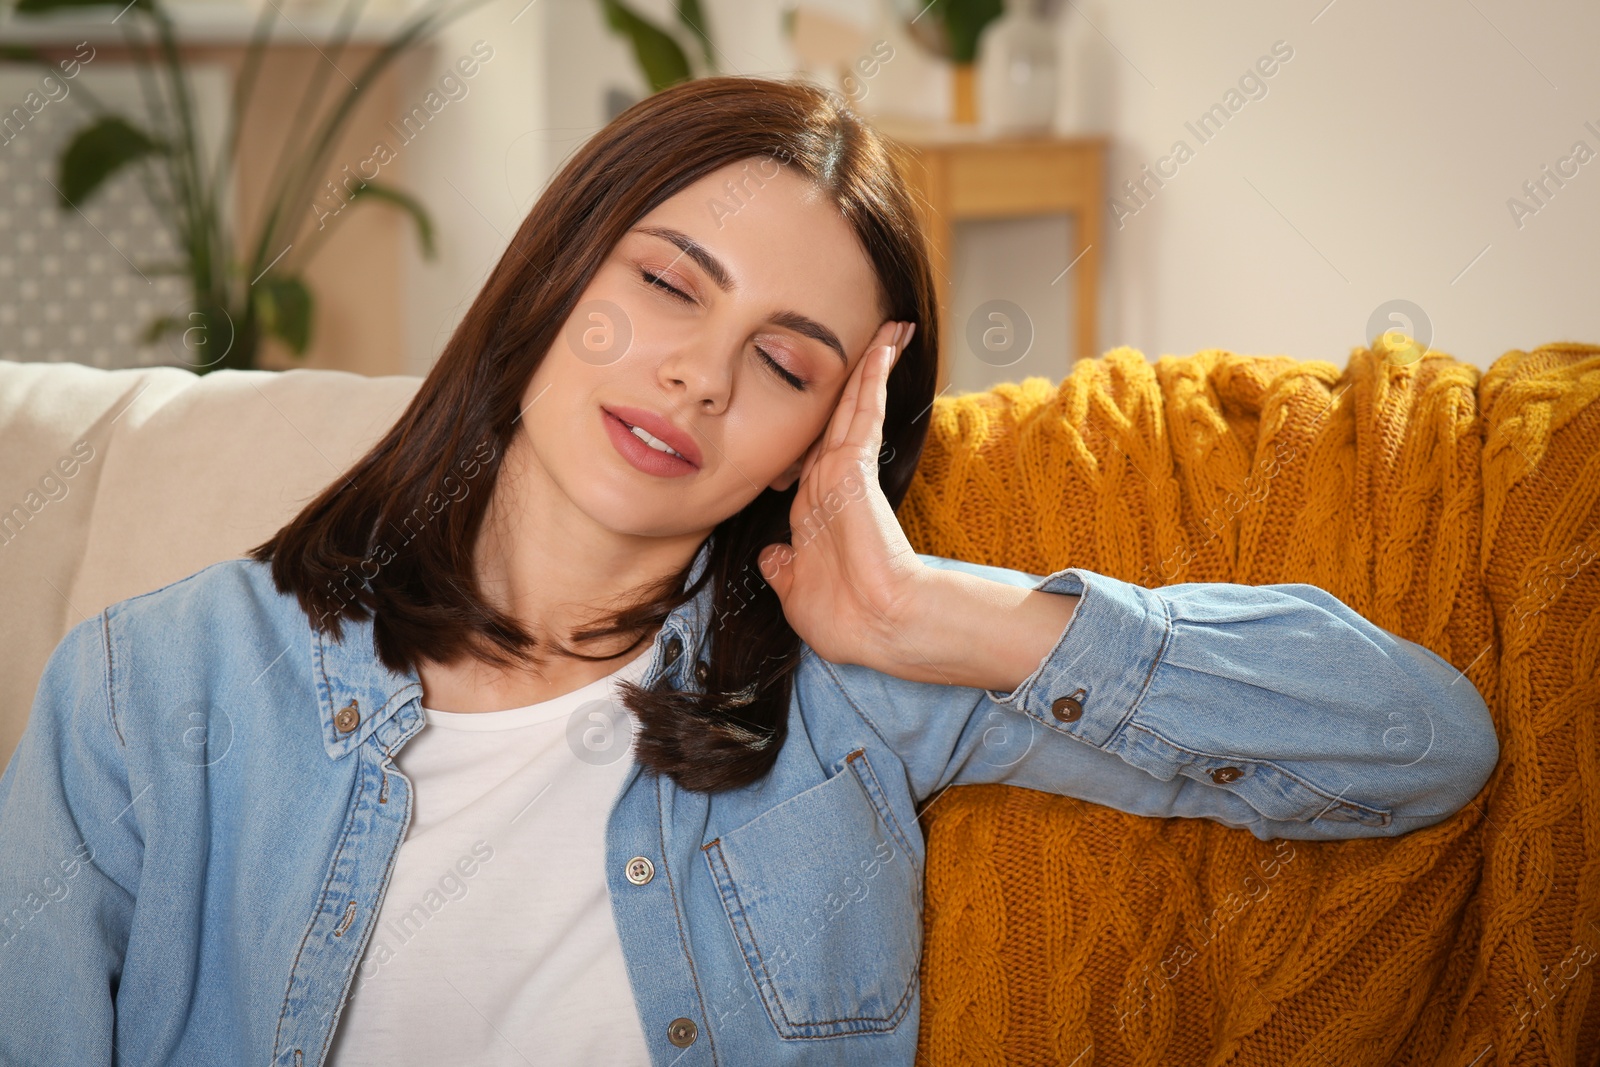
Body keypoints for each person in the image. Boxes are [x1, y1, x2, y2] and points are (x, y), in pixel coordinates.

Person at [0, 74, 1498, 1067]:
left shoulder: (848, 685)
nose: (699, 378)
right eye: (665, 284)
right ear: (553, 273)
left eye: (786, 364)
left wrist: (939, 616)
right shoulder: (154, 692)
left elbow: (1420, 745)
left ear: (815, 440)